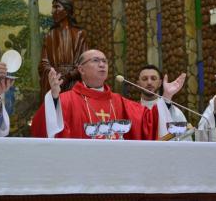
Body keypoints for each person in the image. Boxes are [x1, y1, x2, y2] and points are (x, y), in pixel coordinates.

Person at [31, 49, 183, 140]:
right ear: (81, 69)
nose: (102, 64)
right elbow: (43, 129)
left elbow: (148, 123)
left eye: (104, 61)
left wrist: (167, 97)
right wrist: (54, 98)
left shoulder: (118, 102)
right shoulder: (66, 100)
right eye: (96, 61)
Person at [38, 0, 88, 99]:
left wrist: (68, 77)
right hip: (53, 83)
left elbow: (84, 62)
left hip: (73, 84)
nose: (52, 11)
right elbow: (43, 63)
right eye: (53, 7)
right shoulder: (49, 36)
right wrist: (55, 76)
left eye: (57, 7)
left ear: (67, 10)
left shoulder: (79, 34)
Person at [137, 64, 188, 139]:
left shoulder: (176, 113)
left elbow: (185, 144)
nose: (149, 82)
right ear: (138, 83)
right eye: (144, 79)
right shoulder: (132, 112)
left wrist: (167, 96)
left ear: (160, 83)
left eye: (153, 78)